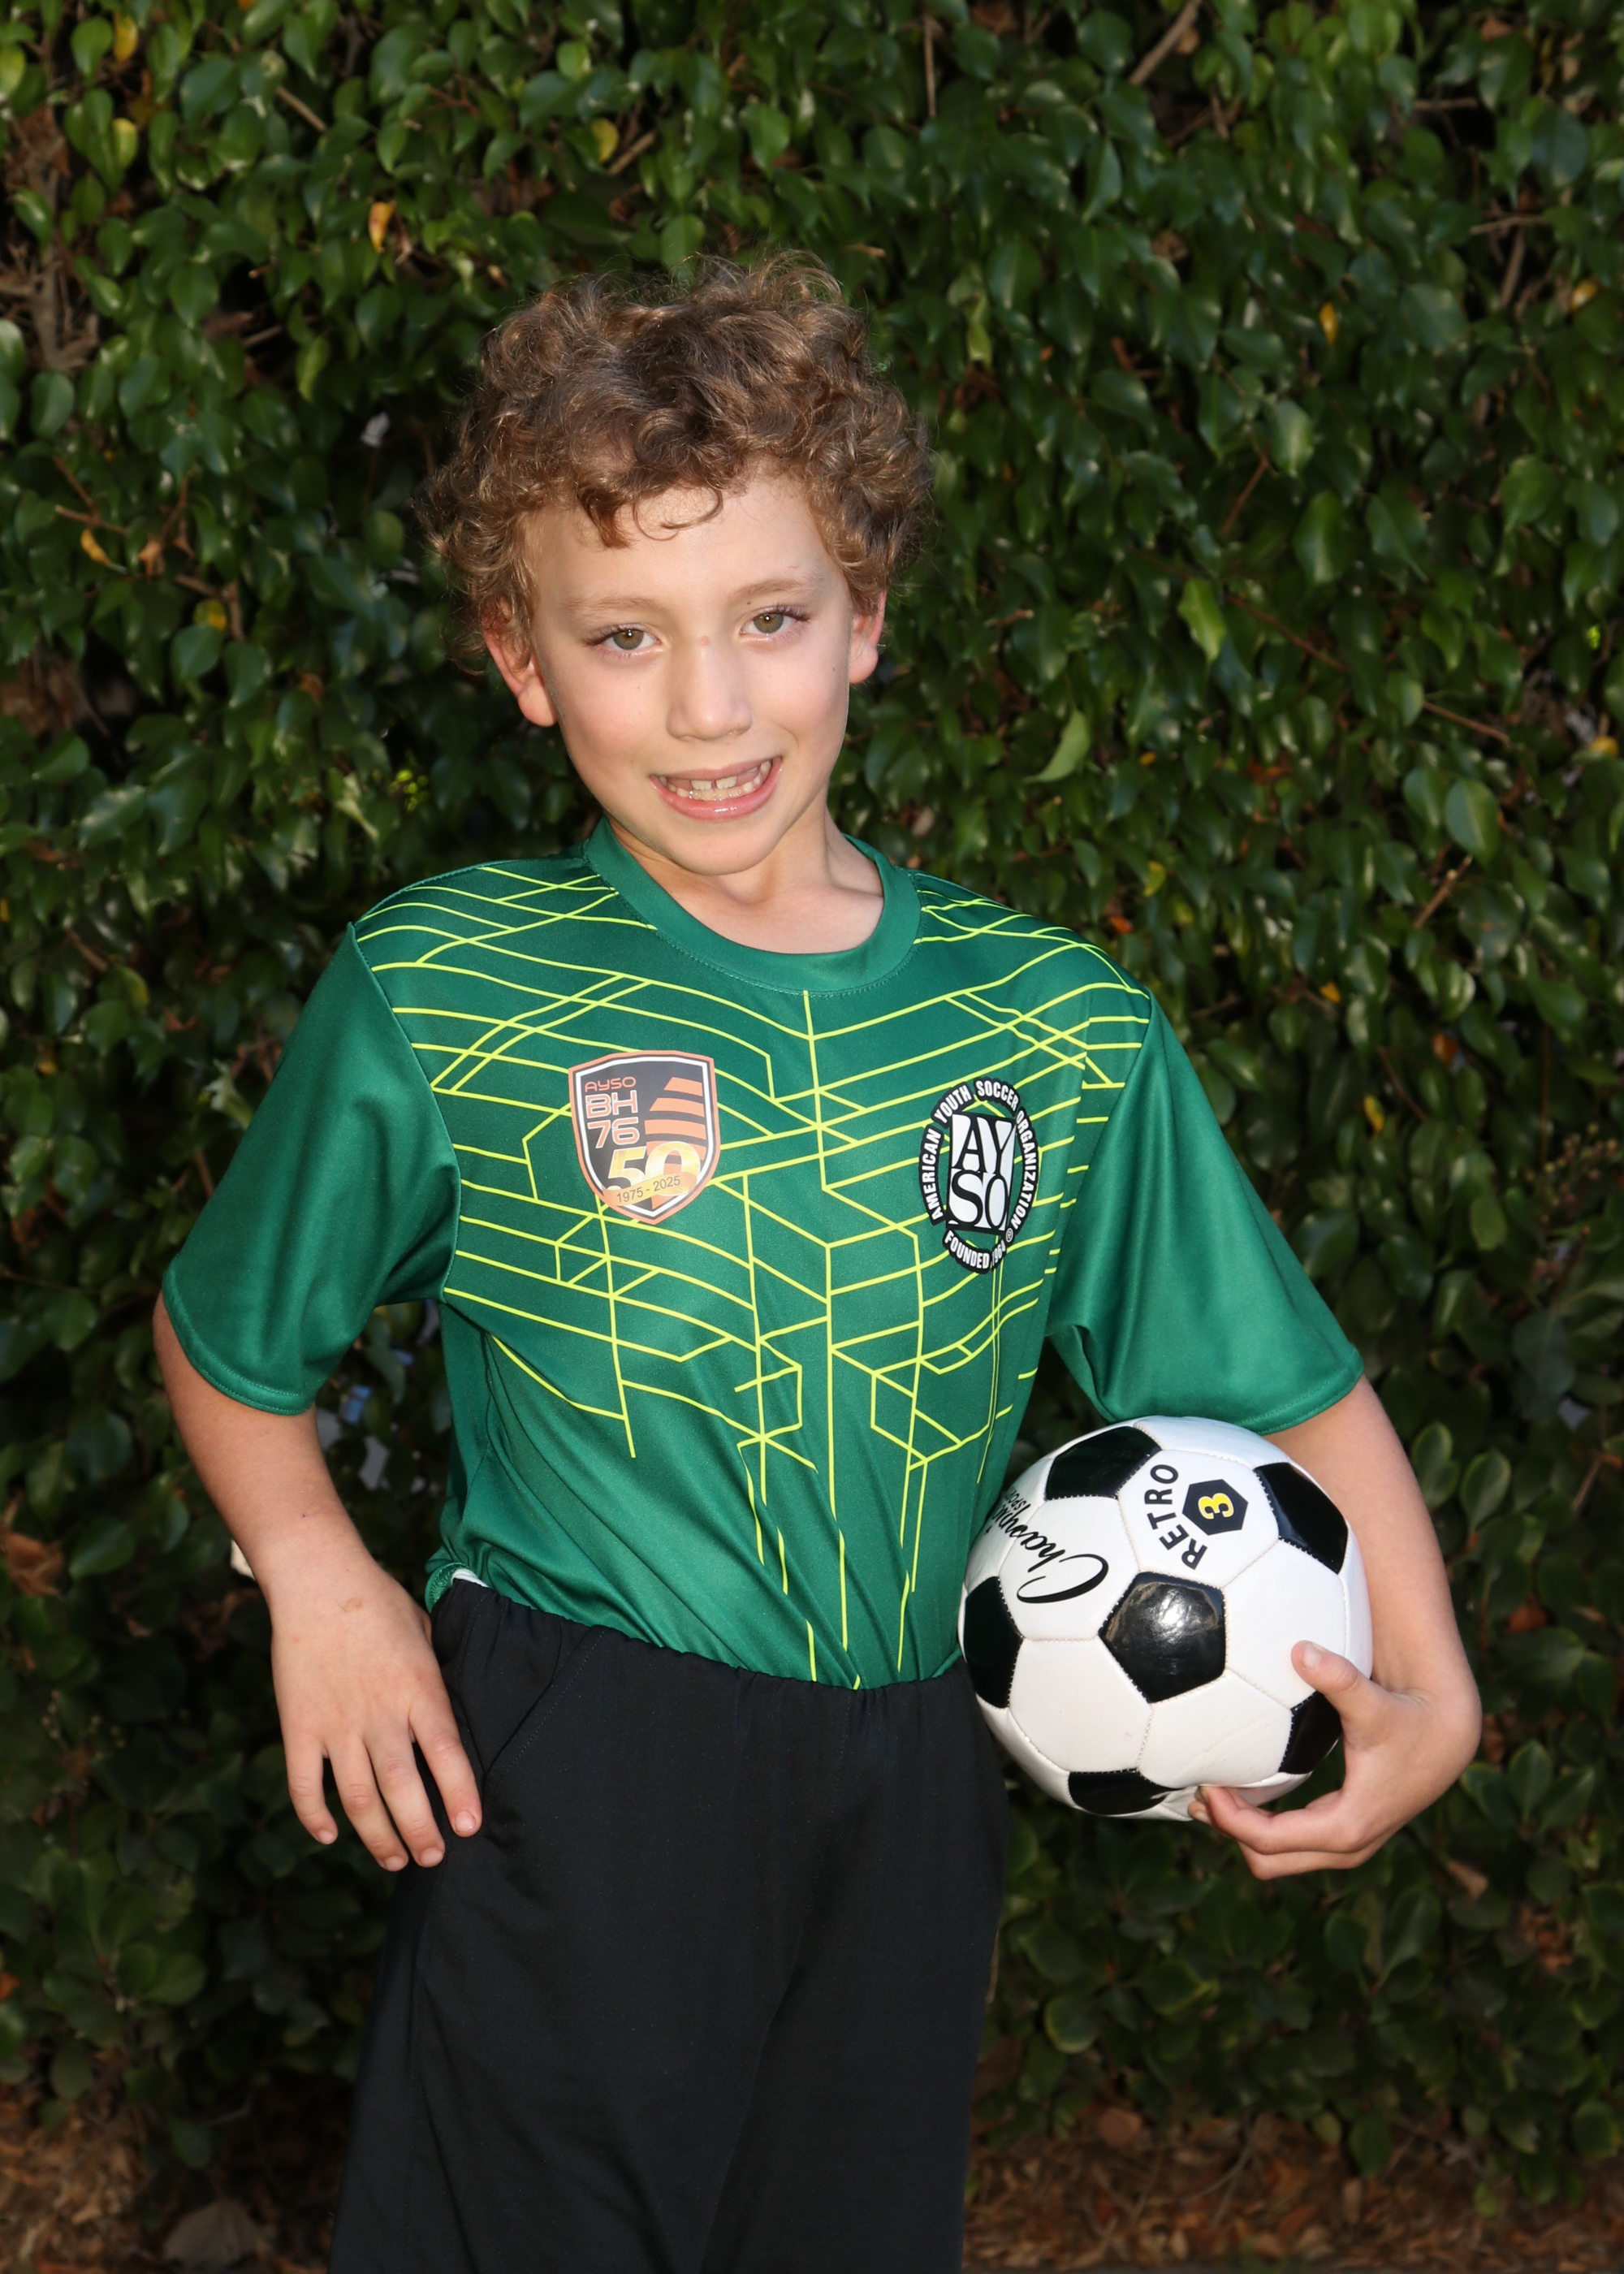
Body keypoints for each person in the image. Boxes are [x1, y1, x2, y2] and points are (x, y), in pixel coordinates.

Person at [154, 256, 1481, 2274]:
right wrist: (317, 1576)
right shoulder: (446, 987)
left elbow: (1279, 1383)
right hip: (575, 1755)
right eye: (625, 635)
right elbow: (229, 1336)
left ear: (864, 612)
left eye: (769, 618)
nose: (709, 706)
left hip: (917, 1768)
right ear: (521, 657)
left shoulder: (1054, 1023)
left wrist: (1432, 1685)